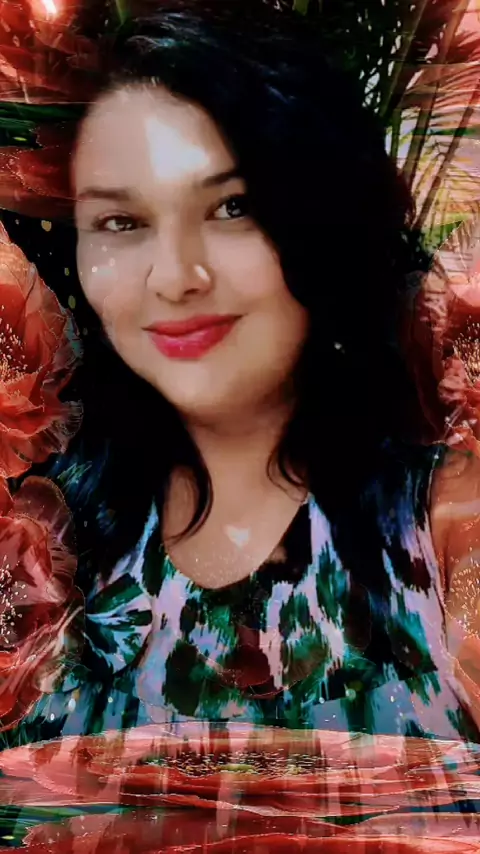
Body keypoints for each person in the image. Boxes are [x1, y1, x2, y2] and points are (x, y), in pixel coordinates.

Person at [10, 0, 479, 744]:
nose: (175, 277)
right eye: (121, 222)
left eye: (233, 207)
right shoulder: (37, 541)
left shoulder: (449, 525)